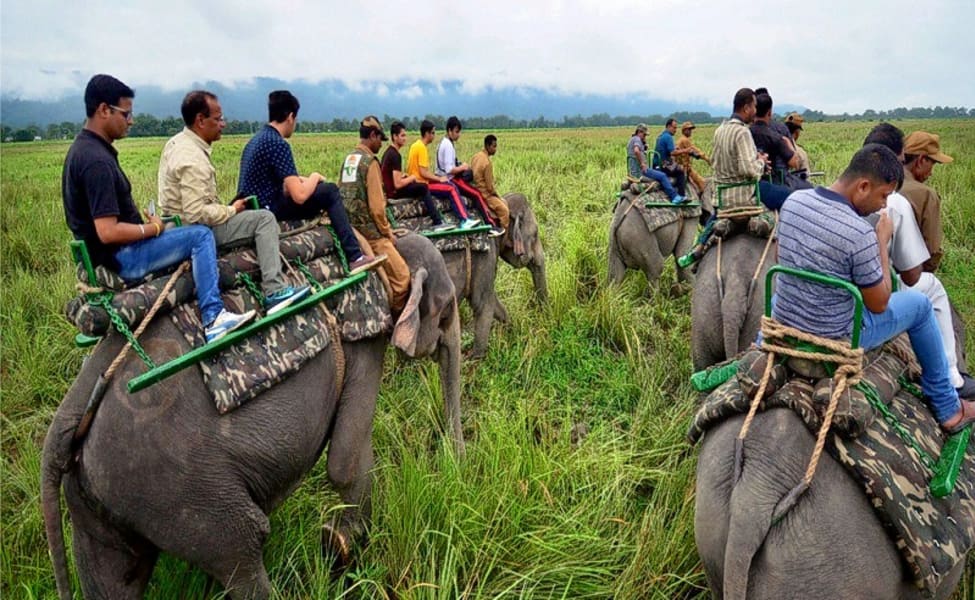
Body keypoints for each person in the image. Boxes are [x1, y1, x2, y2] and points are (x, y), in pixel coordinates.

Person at [773, 143, 974, 433]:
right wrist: (881, 240)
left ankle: (760, 346)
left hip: (788, 324)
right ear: (863, 186)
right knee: (920, 305)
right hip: (836, 337)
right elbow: (879, 302)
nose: (883, 205)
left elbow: (781, 258)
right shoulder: (860, 233)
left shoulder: (793, 202)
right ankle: (948, 407)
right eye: (884, 196)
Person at [63, 74, 255, 343]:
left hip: (109, 255)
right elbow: (107, 232)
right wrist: (152, 228)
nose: (131, 121)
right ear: (104, 110)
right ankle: (213, 316)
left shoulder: (82, 150)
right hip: (123, 258)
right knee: (200, 235)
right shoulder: (96, 162)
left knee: (182, 231)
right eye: (126, 114)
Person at [158, 90, 309, 316]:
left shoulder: (177, 143)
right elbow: (196, 213)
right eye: (218, 119)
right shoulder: (191, 157)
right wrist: (232, 209)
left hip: (176, 225)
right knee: (265, 219)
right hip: (194, 230)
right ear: (200, 120)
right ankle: (275, 290)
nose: (223, 124)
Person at [862, 123, 975, 397]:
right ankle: (950, 377)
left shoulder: (832, 195)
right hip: (871, 296)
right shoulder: (895, 201)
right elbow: (914, 272)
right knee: (930, 287)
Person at [237, 90, 386, 275]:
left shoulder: (257, 140)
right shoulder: (278, 144)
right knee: (330, 191)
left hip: (253, 208)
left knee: (320, 190)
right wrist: (315, 177)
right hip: (267, 210)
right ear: (291, 117)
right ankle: (355, 256)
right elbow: (299, 196)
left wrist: (306, 181)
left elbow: (286, 181)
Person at [338, 116, 410, 313]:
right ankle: (392, 322)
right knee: (403, 278)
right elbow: (378, 209)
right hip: (370, 235)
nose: (380, 143)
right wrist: (388, 233)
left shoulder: (349, 159)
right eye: (380, 139)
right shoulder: (370, 163)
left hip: (349, 228)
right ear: (372, 135)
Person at [711, 88, 791, 211]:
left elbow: (715, 161)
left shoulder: (720, 130)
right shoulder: (742, 131)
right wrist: (762, 162)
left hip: (721, 196)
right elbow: (749, 171)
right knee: (790, 197)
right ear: (746, 108)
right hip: (744, 193)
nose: (755, 111)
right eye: (754, 107)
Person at [436, 116, 504, 237]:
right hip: (451, 179)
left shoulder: (445, 143)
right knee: (477, 194)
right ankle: (490, 226)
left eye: (459, 132)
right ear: (449, 131)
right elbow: (449, 170)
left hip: (449, 177)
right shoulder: (447, 145)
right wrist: (463, 167)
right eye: (456, 132)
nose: (458, 135)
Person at [406, 119, 480, 230]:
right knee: (451, 188)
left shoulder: (415, 145)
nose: (434, 136)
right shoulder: (421, 148)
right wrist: (439, 179)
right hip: (422, 184)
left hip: (417, 182)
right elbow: (423, 172)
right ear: (426, 133)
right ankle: (464, 220)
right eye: (433, 133)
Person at [380, 120, 452, 233]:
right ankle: (438, 221)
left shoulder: (389, 152)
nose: (405, 138)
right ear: (394, 136)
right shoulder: (395, 155)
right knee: (422, 187)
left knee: (416, 184)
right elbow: (398, 184)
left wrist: (406, 177)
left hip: (390, 189)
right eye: (402, 135)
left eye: (405, 135)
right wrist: (412, 178)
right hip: (393, 192)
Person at [900, 131, 953, 272]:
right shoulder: (926, 195)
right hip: (909, 275)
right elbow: (932, 250)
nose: (931, 173)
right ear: (921, 160)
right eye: (933, 164)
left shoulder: (881, 182)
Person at [626, 124, 686, 204]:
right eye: (644, 135)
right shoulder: (637, 139)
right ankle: (674, 196)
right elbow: (636, 151)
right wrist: (642, 163)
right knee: (662, 176)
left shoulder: (632, 139)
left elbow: (637, 151)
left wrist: (644, 146)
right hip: (641, 171)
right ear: (639, 132)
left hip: (633, 171)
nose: (645, 137)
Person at [469, 134, 511, 233]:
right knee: (505, 211)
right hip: (485, 194)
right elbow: (489, 187)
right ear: (488, 146)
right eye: (494, 146)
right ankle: (503, 238)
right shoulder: (487, 163)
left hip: (474, 189)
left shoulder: (476, 156)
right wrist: (497, 195)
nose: (495, 149)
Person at [652, 118, 689, 196]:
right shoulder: (668, 137)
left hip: (656, 165)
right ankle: (682, 195)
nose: (675, 130)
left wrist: (677, 149)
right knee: (681, 171)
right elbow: (673, 152)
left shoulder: (661, 136)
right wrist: (686, 150)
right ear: (668, 126)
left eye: (676, 128)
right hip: (663, 165)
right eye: (674, 127)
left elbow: (666, 149)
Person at [675, 121, 710, 196]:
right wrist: (707, 159)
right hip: (685, 168)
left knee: (696, 184)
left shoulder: (682, 139)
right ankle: (703, 203)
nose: (691, 131)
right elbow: (695, 150)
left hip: (686, 167)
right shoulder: (684, 140)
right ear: (684, 130)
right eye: (689, 130)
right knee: (702, 184)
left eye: (691, 130)